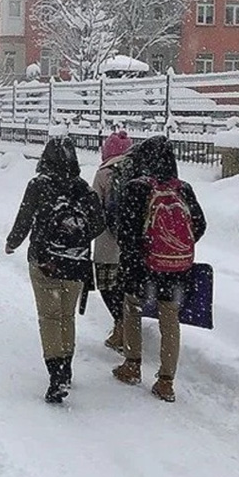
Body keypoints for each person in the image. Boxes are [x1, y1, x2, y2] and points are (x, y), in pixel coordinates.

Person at [6, 137, 104, 404]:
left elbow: (24, 218)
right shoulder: (83, 188)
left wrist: (12, 242)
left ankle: (56, 374)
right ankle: (67, 368)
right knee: (66, 317)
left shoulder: (38, 185)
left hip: (45, 261)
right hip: (77, 263)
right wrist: (77, 237)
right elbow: (99, 223)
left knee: (49, 318)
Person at [110, 136, 206, 403]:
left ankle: (132, 365)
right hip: (176, 269)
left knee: (132, 309)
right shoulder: (183, 189)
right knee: (170, 319)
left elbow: (125, 231)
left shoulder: (136, 188)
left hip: (141, 267)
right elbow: (199, 224)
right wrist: (174, 247)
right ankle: (166, 381)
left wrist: (140, 251)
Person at [91, 130, 134, 354]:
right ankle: (129, 326)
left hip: (108, 243)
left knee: (108, 286)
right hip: (133, 244)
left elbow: (93, 207)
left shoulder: (104, 173)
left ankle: (120, 325)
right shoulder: (139, 170)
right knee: (128, 287)